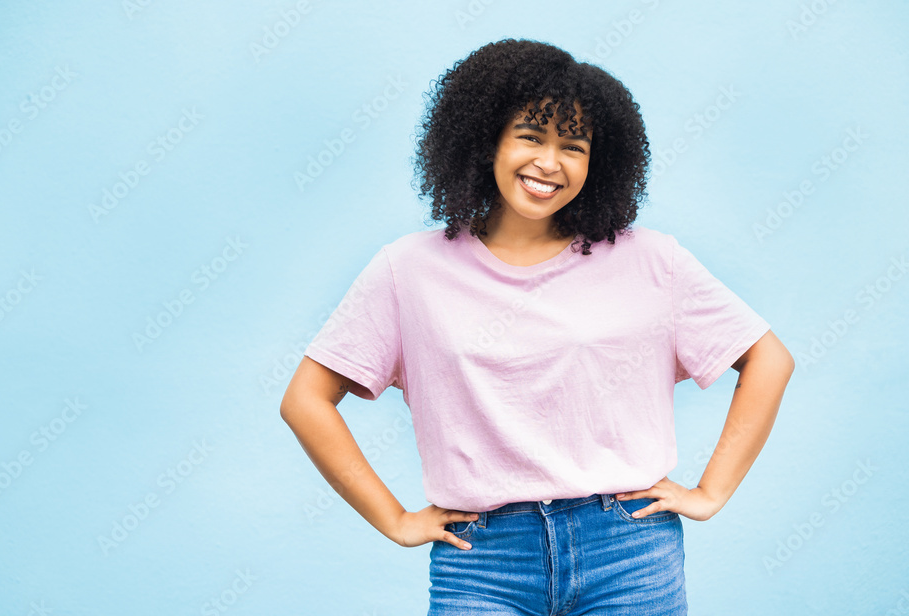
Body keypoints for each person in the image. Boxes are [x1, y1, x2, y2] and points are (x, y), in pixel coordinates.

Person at [280, 38, 794, 615]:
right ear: (485, 140)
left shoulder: (652, 260)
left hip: (628, 551)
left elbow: (768, 359)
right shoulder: (409, 270)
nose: (549, 163)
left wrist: (711, 491)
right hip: (482, 559)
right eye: (530, 136)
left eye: (573, 146)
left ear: (598, 162)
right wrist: (395, 519)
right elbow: (306, 399)